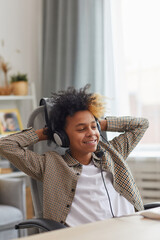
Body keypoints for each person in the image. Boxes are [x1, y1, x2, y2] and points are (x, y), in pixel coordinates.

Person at [0, 85, 149, 227]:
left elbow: (142, 124)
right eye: (82, 129)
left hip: (131, 228)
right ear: (63, 136)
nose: (91, 133)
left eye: (93, 126)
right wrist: (45, 133)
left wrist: (101, 124)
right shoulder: (50, 165)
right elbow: (5, 145)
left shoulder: (112, 151)